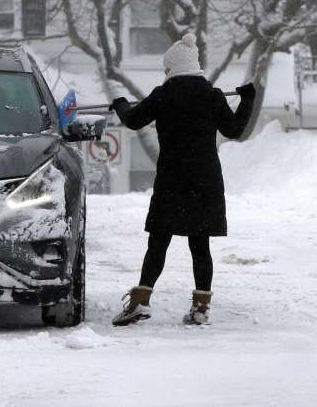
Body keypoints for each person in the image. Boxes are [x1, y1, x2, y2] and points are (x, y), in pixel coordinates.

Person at [109, 33, 256, 326]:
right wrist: (247, 100)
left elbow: (133, 120)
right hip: (205, 180)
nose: (165, 72)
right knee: (200, 244)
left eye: (167, 68)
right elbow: (234, 130)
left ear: (174, 67)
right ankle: (201, 307)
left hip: (172, 179)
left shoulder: (164, 94)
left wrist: (121, 103)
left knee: (158, 241)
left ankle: (140, 301)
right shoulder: (212, 95)